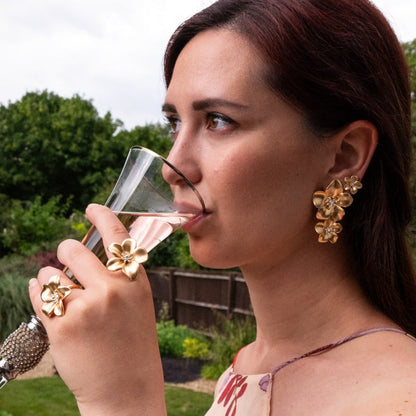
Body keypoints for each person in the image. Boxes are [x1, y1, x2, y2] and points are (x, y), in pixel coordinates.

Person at [29, 0, 416, 414]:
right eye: (174, 123)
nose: (172, 168)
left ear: (343, 156)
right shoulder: (245, 367)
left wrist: (123, 401)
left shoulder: (396, 396)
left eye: (217, 120)